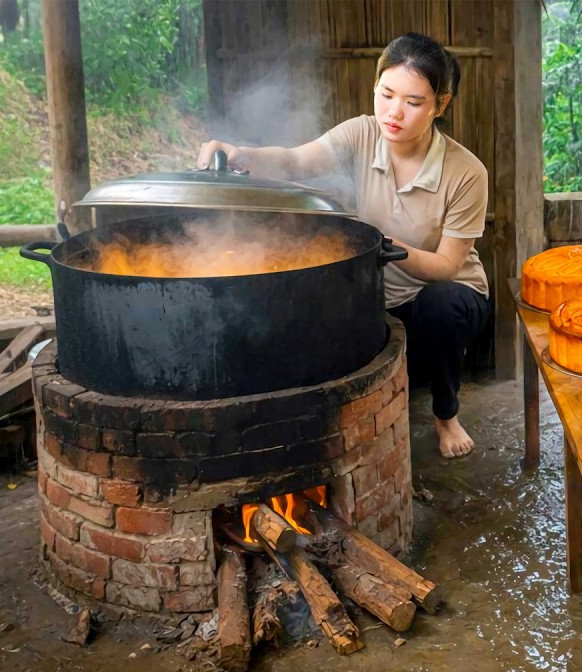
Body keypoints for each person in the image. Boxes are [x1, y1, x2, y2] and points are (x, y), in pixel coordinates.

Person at [197, 33, 489, 459]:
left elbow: (447, 265)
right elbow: (297, 160)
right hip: (377, 290)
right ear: (375, 87)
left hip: (447, 293)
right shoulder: (361, 134)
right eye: (386, 94)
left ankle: (446, 416)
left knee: (441, 306)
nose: (394, 112)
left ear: (440, 105)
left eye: (413, 102)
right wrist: (240, 153)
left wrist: (383, 243)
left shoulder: (466, 173)